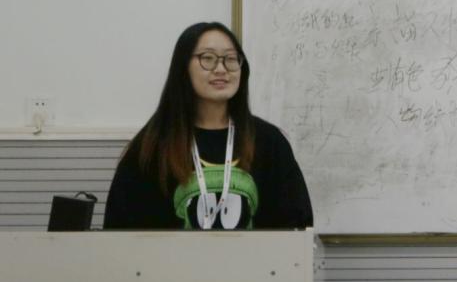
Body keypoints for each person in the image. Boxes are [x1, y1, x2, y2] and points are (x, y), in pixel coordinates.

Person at [104, 22, 313, 230]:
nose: (221, 69)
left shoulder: (269, 142)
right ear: (183, 67)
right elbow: (121, 230)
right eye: (208, 58)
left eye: (230, 59)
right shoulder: (153, 145)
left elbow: (297, 225)